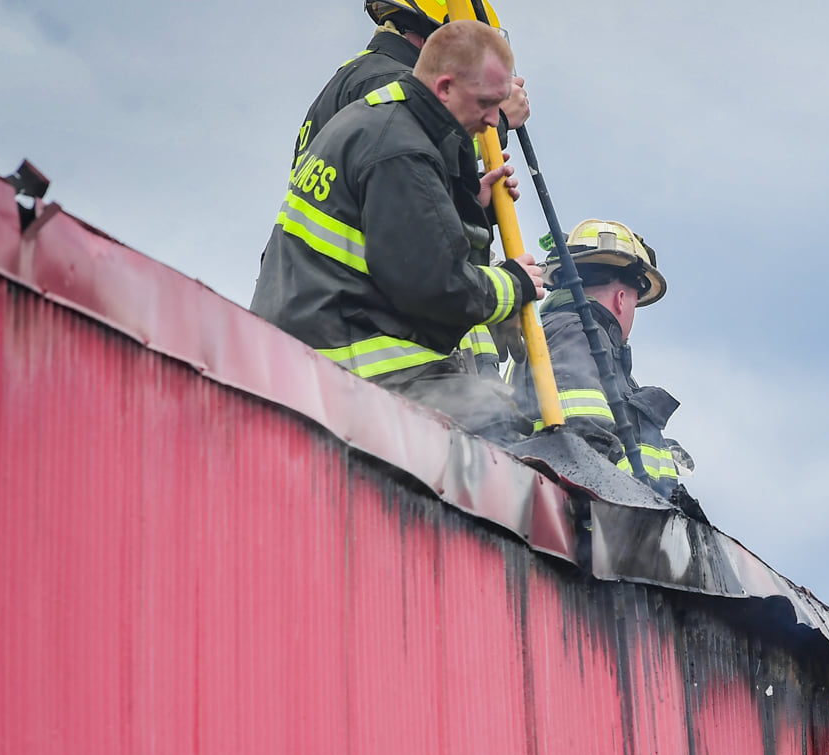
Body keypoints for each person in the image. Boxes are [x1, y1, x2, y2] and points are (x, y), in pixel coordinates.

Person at [252, 21, 544, 443]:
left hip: (309, 343)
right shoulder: (402, 149)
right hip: (347, 360)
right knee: (496, 423)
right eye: (485, 103)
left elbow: (399, 231)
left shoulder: (380, 115)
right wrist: (514, 284)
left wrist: (467, 207)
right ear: (444, 87)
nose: (493, 121)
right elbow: (434, 287)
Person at [288, 1, 531, 378]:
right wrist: (498, 122)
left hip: (335, 316)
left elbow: (405, 211)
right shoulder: (390, 89)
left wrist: (475, 208)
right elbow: (424, 270)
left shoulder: (358, 78)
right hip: (361, 346)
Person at [508, 219, 691, 498]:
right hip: (592, 522)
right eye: (634, 302)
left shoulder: (564, 336)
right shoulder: (576, 333)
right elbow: (581, 446)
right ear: (621, 298)